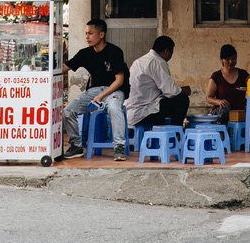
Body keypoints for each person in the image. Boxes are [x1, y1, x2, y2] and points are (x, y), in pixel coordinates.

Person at [62, 18, 129, 161]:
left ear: (101, 34)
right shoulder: (84, 53)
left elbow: (119, 80)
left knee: (114, 108)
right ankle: (76, 146)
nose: (87, 37)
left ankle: (119, 147)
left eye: (90, 33)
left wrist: (101, 96)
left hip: (114, 91)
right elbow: (65, 68)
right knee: (68, 111)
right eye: (86, 33)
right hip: (94, 91)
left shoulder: (115, 52)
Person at [125, 35, 191, 128]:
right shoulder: (158, 62)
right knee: (182, 99)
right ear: (166, 52)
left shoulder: (139, 61)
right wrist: (184, 90)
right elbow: (171, 92)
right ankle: (176, 133)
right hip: (142, 113)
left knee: (161, 104)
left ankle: (158, 133)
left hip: (128, 112)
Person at [206, 44, 250, 122]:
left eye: (233, 59)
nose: (230, 62)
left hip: (239, 113)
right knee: (224, 110)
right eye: (227, 59)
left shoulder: (244, 75)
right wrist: (219, 101)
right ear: (221, 60)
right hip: (222, 113)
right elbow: (209, 98)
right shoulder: (216, 76)